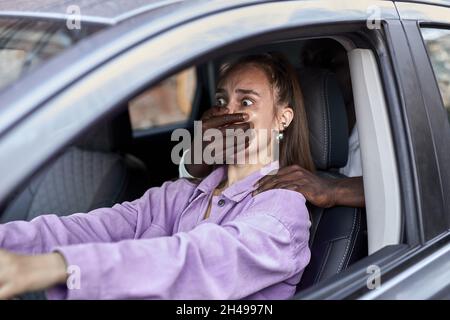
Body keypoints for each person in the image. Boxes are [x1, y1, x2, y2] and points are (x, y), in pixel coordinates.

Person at [0, 53, 313, 300]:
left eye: (246, 102)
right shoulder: (181, 193)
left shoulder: (282, 210)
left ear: (282, 119)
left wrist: (56, 267)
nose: (226, 112)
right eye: (220, 101)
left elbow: (191, 263)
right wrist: (10, 244)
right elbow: (94, 228)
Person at [180, 40, 365, 208]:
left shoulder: (386, 126)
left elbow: (391, 188)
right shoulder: (224, 176)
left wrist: (334, 189)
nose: (316, 71)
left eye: (329, 63)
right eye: (221, 101)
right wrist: (200, 154)